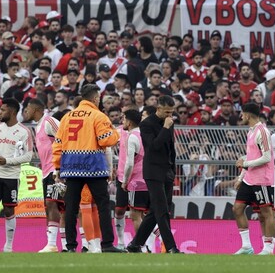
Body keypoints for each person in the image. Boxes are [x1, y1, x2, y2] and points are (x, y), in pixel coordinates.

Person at [53, 84, 123, 253]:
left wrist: (57, 167)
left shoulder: (67, 117)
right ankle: (107, 244)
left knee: (71, 207)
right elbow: (106, 140)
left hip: (70, 167)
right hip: (93, 167)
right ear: (95, 98)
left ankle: (70, 246)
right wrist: (116, 133)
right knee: (103, 205)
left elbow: (58, 145)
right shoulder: (98, 116)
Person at [127, 95, 182, 253]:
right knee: (162, 210)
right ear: (158, 109)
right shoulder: (146, 124)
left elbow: (170, 148)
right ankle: (171, 247)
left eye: (171, 112)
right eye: (167, 112)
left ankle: (135, 244)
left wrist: (173, 170)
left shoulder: (168, 122)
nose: (169, 116)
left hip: (167, 171)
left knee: (155, 211)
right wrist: (165, 128)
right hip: (153, 172)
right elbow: (154, 147)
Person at [0, 98, 33, 252]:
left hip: (12, 176)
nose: (0, 113)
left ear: (12, 112)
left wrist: (8, 161)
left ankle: (8, 246)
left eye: (3, 110)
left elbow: (28, 157)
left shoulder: (24, 132)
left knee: (9, 210)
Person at [233, 103, 275, 255]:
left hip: (262, 179)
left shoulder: (262, 131)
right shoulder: (250, 131)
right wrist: (241, 176)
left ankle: (269, 248)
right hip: (249, 179)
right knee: (237, 209)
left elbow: (266, 157)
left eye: (242, 114)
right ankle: (246, 247)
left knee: (266, 213)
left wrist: (245, 164)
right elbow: (251, 156)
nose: (241, 117)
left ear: (248, 115)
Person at [23, 98, 64, 253]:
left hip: (56, 170)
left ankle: (55, 244)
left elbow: (65, 139)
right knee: (49, 206)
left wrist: (59, 167)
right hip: (46, 171)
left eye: (27, 107)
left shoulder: (49, 121)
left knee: (54, 204)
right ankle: (55, 244)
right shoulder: (39, 125)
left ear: (36, 109)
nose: (25, 111)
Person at [116, 109, 156, 252]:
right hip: (148, 179)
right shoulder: (145, 135)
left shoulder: (132, 137)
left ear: (130, 121)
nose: (122, 122)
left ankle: (140, 245)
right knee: (148, 214)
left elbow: (130, 163)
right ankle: (149, 244)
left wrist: (125, 181)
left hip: (136, 181)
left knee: (135, 215)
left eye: (124, 119)